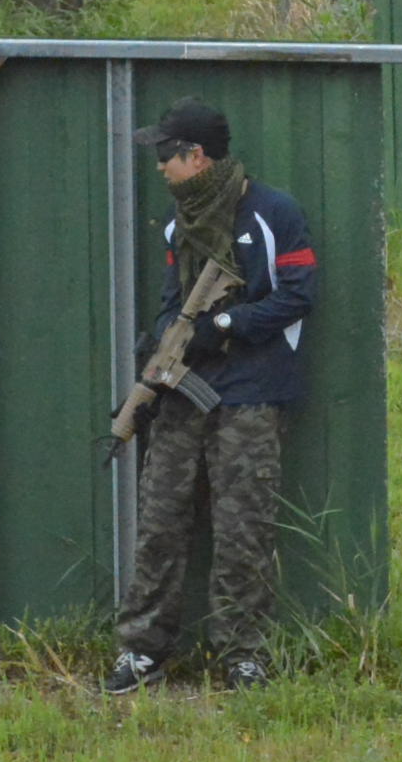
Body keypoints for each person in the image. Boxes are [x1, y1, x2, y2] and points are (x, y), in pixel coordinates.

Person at [107, 97, 319, 694]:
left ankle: (243, 654)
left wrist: (224, 326)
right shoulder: (180, 223)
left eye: (166, 155)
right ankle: (143, 650)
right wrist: (166, 348)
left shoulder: (274, 213)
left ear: (196, 156)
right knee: (160, 524)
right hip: (185, 393)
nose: (159, 167)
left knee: (243, 529)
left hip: (253, 393)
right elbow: (173, 302)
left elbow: (298, 294)